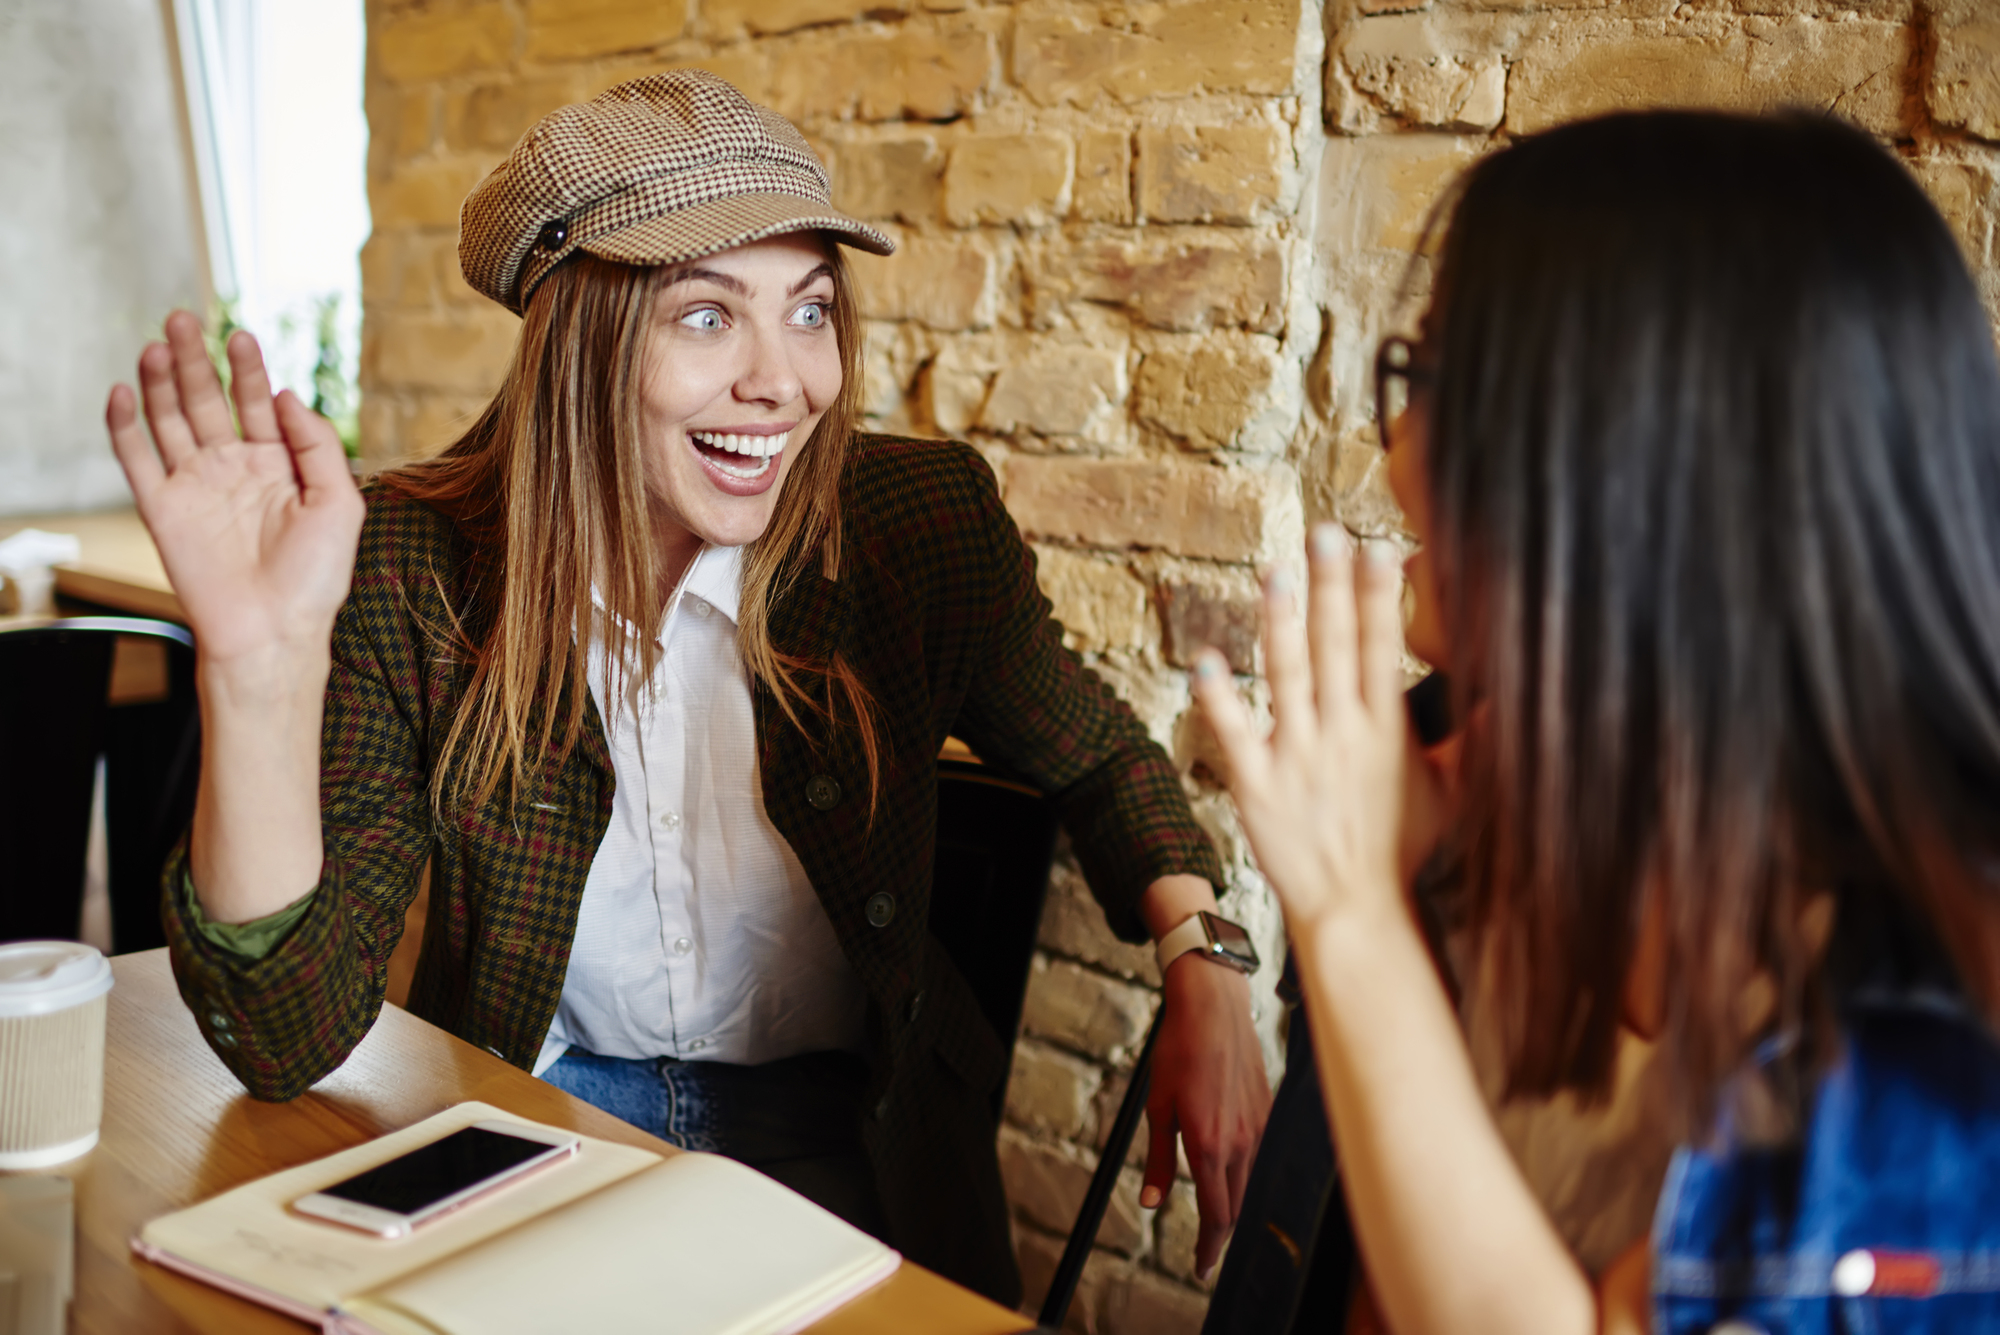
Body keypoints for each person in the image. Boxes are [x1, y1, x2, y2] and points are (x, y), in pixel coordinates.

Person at [105, 70, 1270, 1303]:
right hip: (536, 1119)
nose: (784, 382)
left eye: (809, 311)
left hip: (848, 1143)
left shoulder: (915, 526)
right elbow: (280, 1037)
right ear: (580, 348)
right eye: (707, 316)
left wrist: (1203, 956)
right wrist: (255, 671)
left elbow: (1095, 756)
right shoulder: (412, 560)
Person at [1194, 110, 2000, 1333]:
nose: (1397, 448)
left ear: (1668, 479)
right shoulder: (1483, 799)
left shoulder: (1924, 1031)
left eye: (1453, 388)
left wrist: (1352, 910)